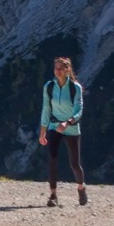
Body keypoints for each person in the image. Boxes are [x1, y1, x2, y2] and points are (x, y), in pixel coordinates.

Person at [38, 56, 86, 206]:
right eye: (55, 68)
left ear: (67, 70)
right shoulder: (49, 86)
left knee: (74, 164)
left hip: (71, 127)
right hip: (54, 126)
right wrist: (42, 131)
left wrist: (68, 122)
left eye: (60, 68)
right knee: (52, 160)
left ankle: (81, 188)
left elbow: (79, 110)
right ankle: (53, 195)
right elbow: (46, 109)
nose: (57, 71)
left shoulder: (75, 87)